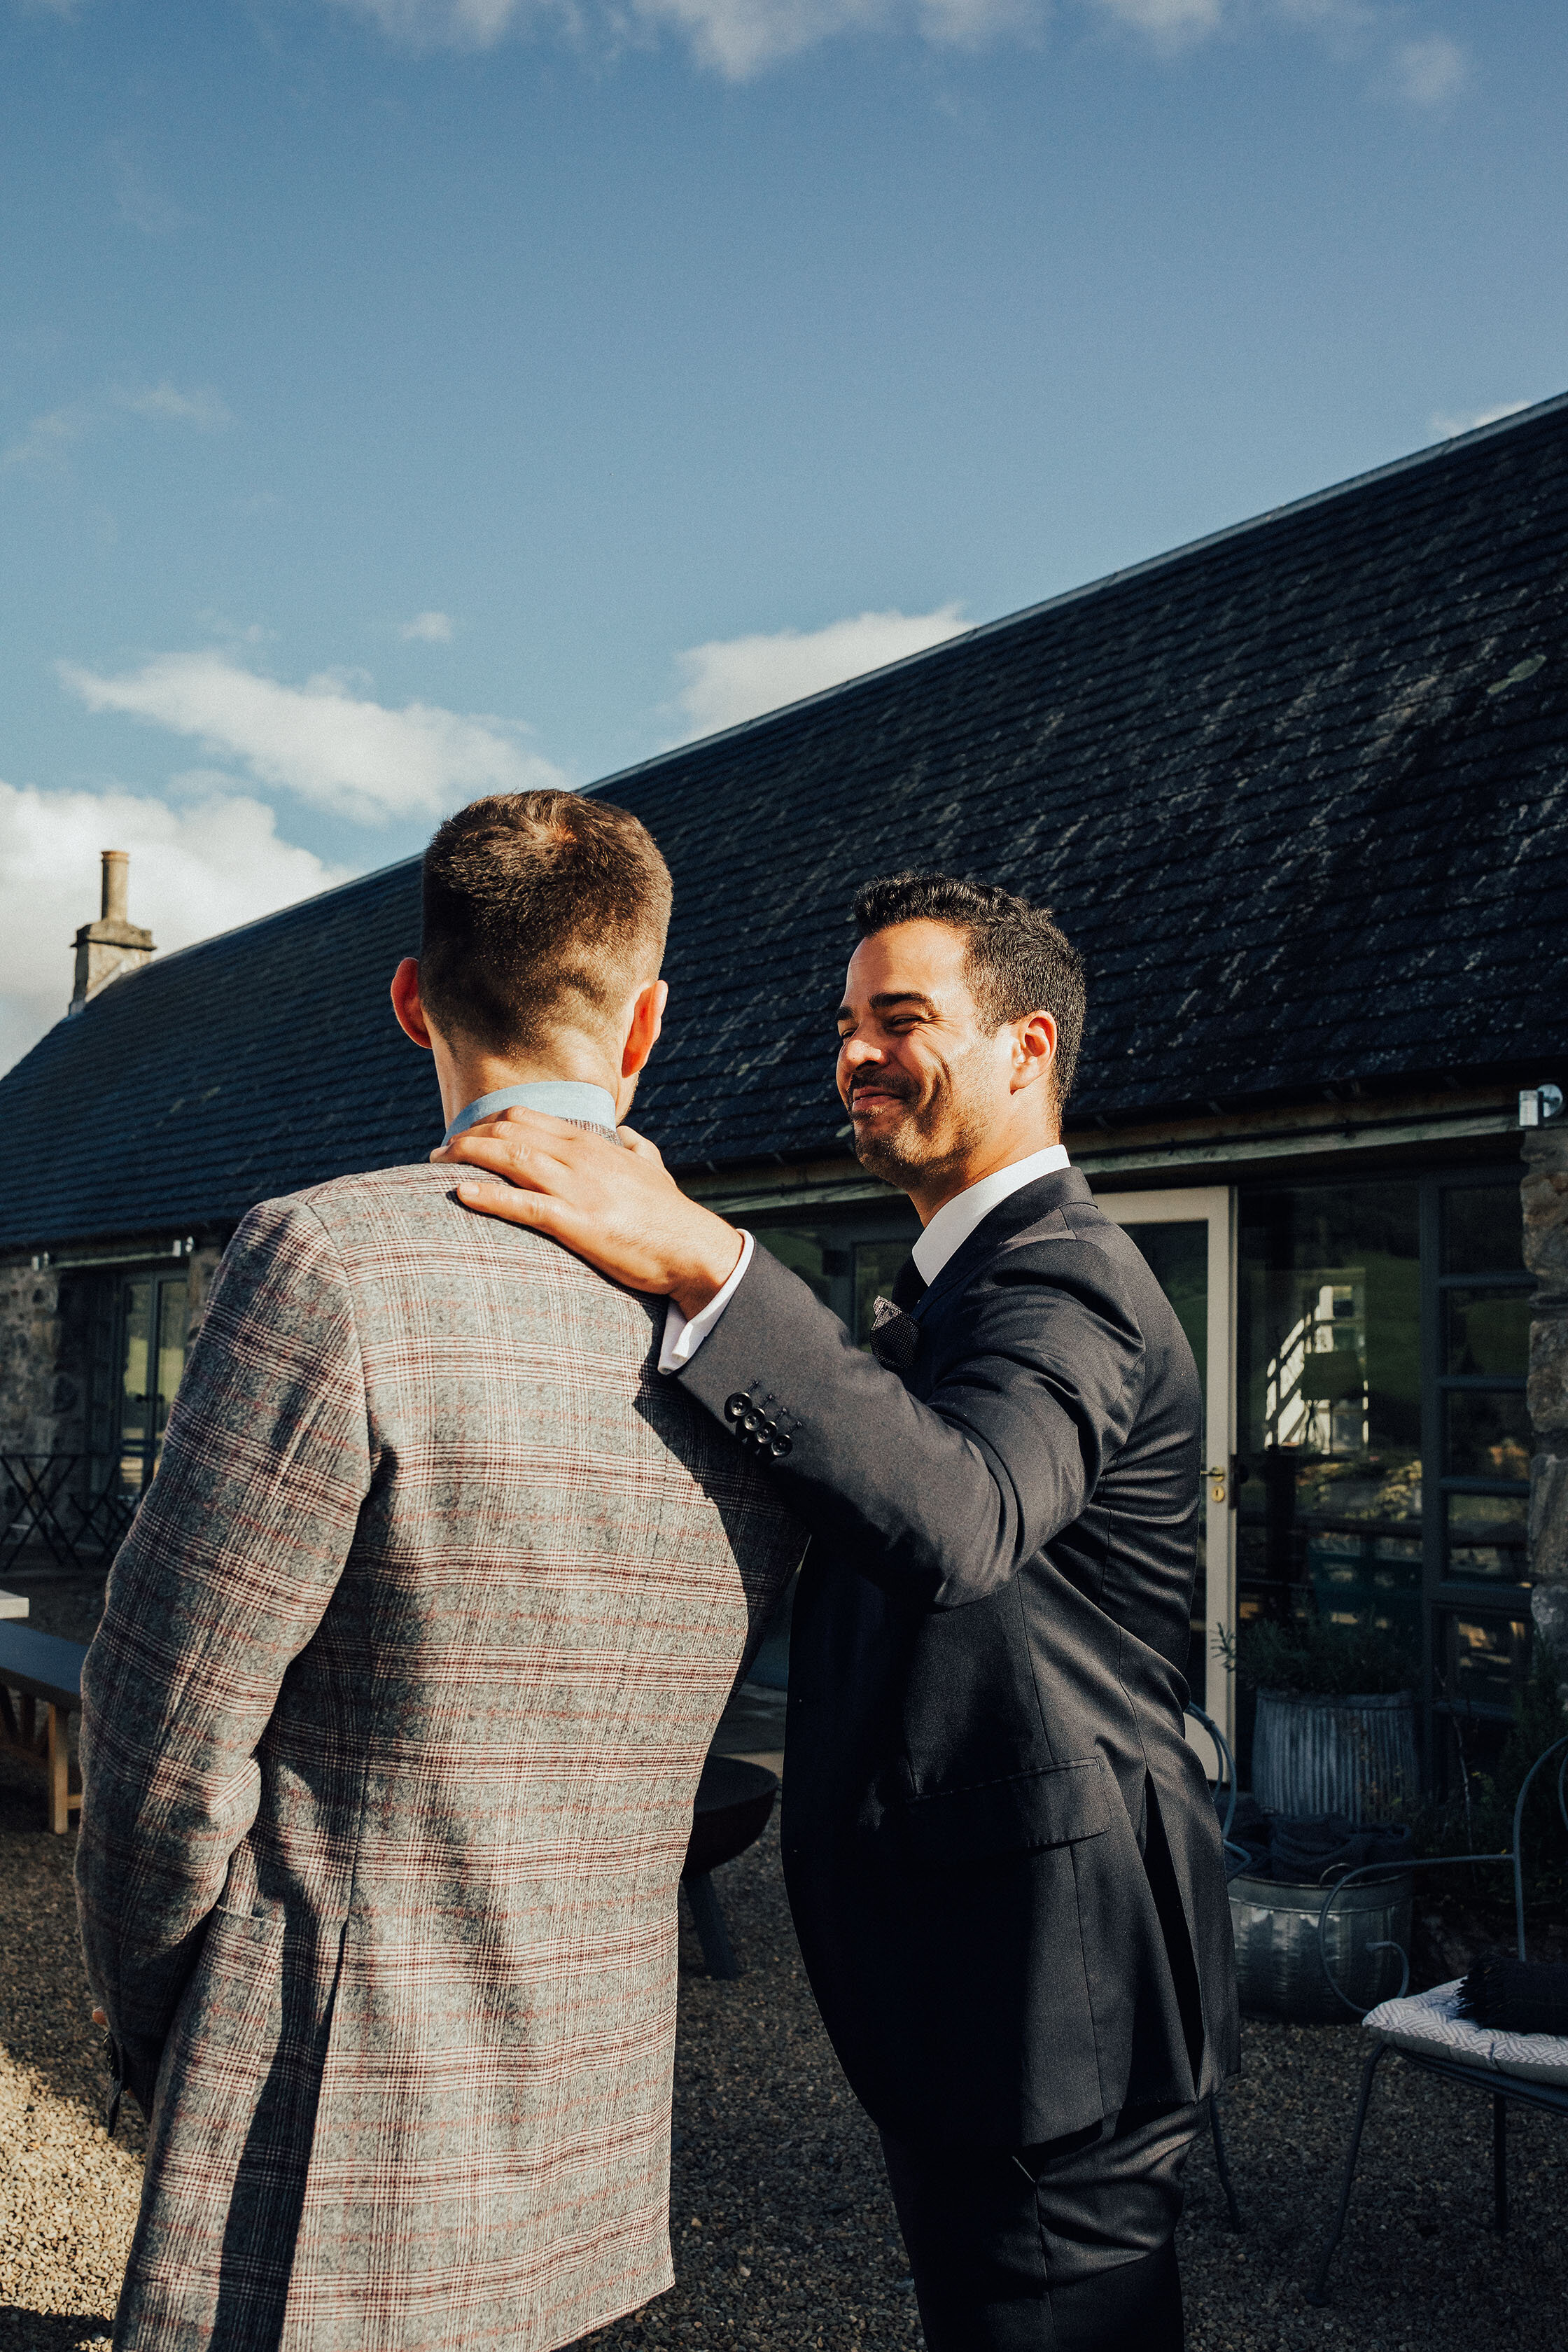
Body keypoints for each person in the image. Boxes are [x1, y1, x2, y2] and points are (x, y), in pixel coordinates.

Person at [438, 870, 1241, 2352]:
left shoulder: (1069, 1282)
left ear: (1026, 1045)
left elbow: (957, 1516)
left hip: (1054, 1991)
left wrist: (711, 1261)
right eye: (845, 1023)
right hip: (974, 1976)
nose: (854, 1053)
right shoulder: (942, 1297)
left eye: (902, 1018)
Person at [75, 790, 803, 2352]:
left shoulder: (331, 1263)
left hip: (327, 2119)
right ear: (648, 1022)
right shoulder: (749, 1331)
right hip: (597, 2127)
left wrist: (156, 2016)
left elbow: (160, 1731)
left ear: (411, 1000)